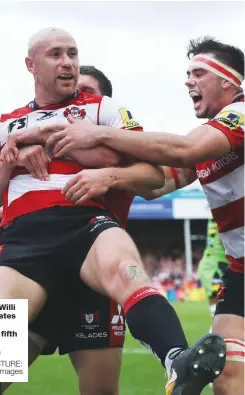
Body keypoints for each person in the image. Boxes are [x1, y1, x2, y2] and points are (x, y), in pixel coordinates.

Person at [0, 29, 225, 395]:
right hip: (23, 241)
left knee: (126, 270)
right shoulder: (3, 123)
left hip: (86, 225)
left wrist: (77, 155)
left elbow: (150, 170)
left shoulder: (103, 109)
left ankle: (177, 360)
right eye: (56, 54)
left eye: (72, 53)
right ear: (30, 65)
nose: (67, 62)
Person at [44, 36, 244, 395]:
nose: (188, 81)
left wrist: (99, 141)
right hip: (20, 257)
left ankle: (175, 360)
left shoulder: (237, 116)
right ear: (31, 66)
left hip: (95, 266)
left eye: (198, 73)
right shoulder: (10, 126)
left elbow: (176, 157)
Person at [0, 65, 124, 395]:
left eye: (85, 98)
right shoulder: (22, 143)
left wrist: (115, 175)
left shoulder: (118, 150)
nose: (72, 107)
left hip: (92, 273)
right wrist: (14, 156)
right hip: (29, 264)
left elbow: (154, 176)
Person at [198, 218, 230, 319]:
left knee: (220, 310)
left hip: (211, 264)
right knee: (223, 310)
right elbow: (225, 240)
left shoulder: (215, 212)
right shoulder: (224, 212)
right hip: (217, 266)